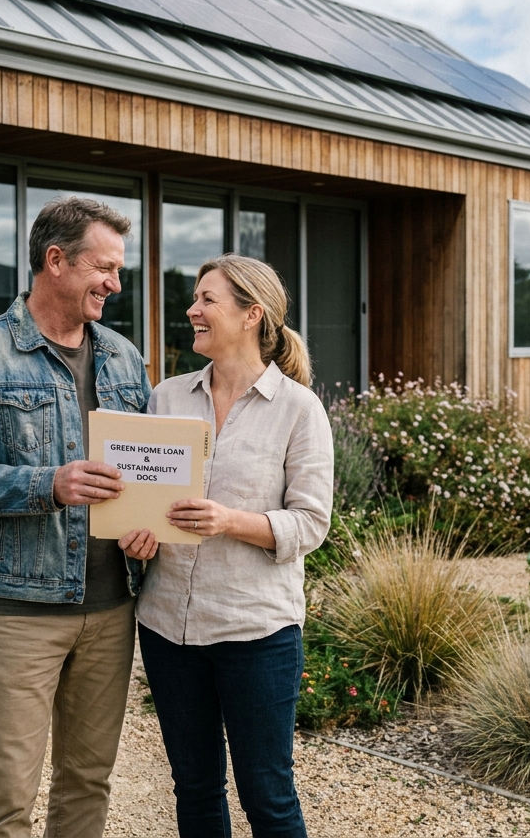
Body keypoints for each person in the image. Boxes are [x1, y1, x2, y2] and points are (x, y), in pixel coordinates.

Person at [0, 196, 158, 838]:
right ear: (55, 261)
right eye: (104, 268)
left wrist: (151, 528)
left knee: (88, 783)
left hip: (112, 610)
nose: (115, 284)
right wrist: (48, 485)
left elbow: (147, 473)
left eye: (118, 270)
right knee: (6, 800)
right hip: (20, 613)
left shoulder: (124, 357)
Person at [134, 253, 333, 838]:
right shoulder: (166, 398)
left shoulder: (299, 409)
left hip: (256, 633)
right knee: (194, 789)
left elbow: (311, 523)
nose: (191, 310)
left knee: (267, 796)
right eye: (194, 298)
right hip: (168, 628)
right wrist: (136, 537)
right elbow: (144, 500)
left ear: (252, 314)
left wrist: (229, 521)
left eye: (207, 299)